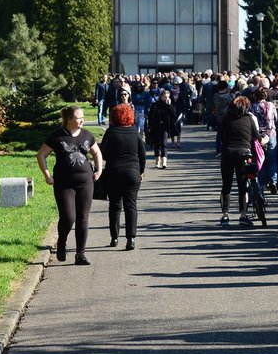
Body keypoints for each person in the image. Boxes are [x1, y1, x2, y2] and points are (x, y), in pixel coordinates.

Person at [37, 106, 103, 265]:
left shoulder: (87, 135)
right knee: (68, 217)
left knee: (83, 218)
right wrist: (47, 176)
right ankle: (62, 242)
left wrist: (99, 170)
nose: (82, 120)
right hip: (64, 183)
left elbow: (96, 152)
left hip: (85, 182)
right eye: (79, 117)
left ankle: (80, 254)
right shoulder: (57, 137)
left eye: (82, 117)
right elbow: (41, 155)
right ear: (69, 119)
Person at [100, 103, 146, 251]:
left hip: (114, 172)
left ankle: (114, 237)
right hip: (132, 172)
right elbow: (142, 155)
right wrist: (141, 171)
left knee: (114, 205)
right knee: (131, 205)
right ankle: (131, 238)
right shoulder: (134, 132)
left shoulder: (110, 132)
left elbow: (103, 154)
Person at [217, 95, 261, 225]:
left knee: (226, 185)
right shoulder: (249, 119)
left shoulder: (226, 119)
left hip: (228, 153)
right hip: (244, 154)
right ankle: (243, 215)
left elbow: (222, 137)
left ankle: (225, 215)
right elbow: (256, 136)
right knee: (243, 186)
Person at [146, 89, 178, 169]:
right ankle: (157, 161)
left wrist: (169, 105)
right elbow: (150, 117)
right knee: (156, 144)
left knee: (164, 144)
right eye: (165, 97)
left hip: (165, 127)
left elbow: (174, 115)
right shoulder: (155, 105)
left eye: (168, 97)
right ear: (161, 96)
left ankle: (164, 162)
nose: (166, 98)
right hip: (156, 126)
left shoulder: (170, 105)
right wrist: (149, 126)